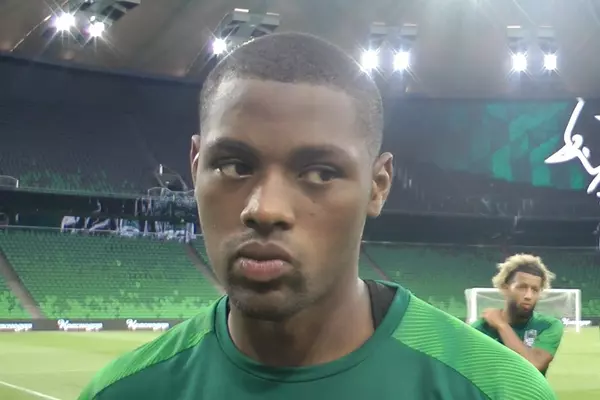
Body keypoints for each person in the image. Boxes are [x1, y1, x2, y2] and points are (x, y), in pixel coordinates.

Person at [78, 32, 556, 399]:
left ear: (378, 186)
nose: (264, 209)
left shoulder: (499, 391)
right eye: (234, 166)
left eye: (320, 173)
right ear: (196, 167)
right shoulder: (121, 393)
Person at [471, 253, 564, 376]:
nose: (528, 296)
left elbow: (534, 364)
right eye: (522, 287)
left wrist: (502, 325)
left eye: (535, 290)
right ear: (505, 288)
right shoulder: (479, 330)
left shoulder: (548, 326)